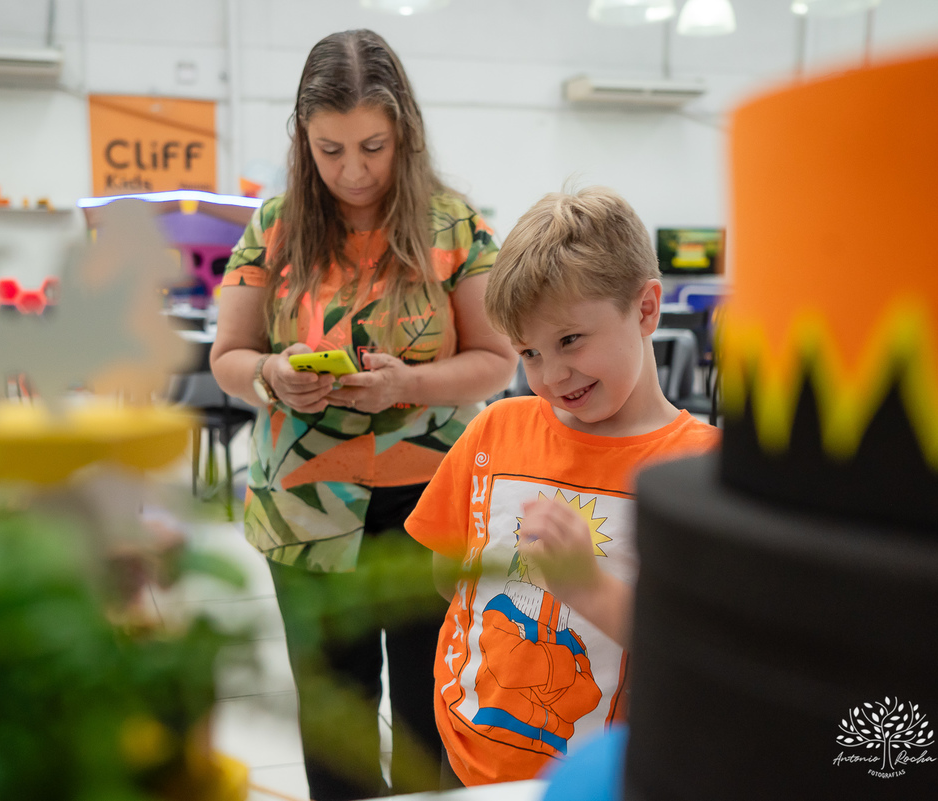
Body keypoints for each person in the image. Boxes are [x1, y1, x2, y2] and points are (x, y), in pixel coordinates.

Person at [210, 28, 517, 801]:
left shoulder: (456, 227)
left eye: (372, 147)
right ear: (302, 141)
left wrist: (405, 385)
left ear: (403, 133)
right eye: (330, 149)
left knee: (429, 712)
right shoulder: (274, 226)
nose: (353, 170)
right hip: (305, 510)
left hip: (432, 504)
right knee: (336, 720)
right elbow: (228, 356)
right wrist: (274, 375)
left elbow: (497, 359)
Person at [404, 187, 720, 786]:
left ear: (646, 309)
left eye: (570, 340)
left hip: (597, 777)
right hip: (464, 747)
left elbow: (703, 651)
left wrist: (587, 588)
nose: (551, 375)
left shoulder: (700, 469)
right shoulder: (495, 428)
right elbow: (448, 578)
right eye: (529, 352)